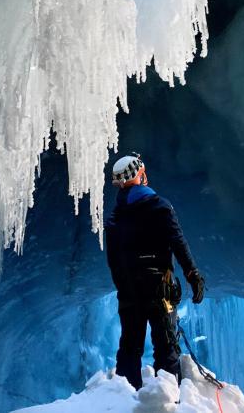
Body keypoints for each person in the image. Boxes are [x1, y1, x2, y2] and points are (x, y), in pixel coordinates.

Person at [104, 153, 206, 390]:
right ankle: (168, 400)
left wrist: (125, 290)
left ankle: (126, 400)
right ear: (139, 176)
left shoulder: (115, 220)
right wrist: (193, 276)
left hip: (130, 292)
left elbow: (114, 263)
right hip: (159, 290)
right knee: (166, 346)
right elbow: (178, 243)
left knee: (130, 347)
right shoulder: (160, 207)